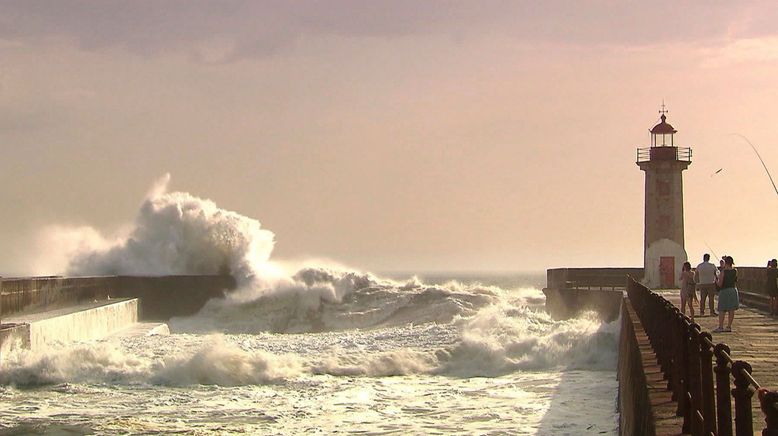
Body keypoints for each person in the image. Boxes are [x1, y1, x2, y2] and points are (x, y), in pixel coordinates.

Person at [713, 256, 739, 333]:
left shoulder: (723, 272)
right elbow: (735, 280)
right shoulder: (735, 270)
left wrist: (716, 280)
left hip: (724, 291)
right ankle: (729, 326)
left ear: (726, 263)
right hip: (733, 290)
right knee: (731, 309)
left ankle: (721, 327)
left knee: (722, 309)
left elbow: (720, 284)